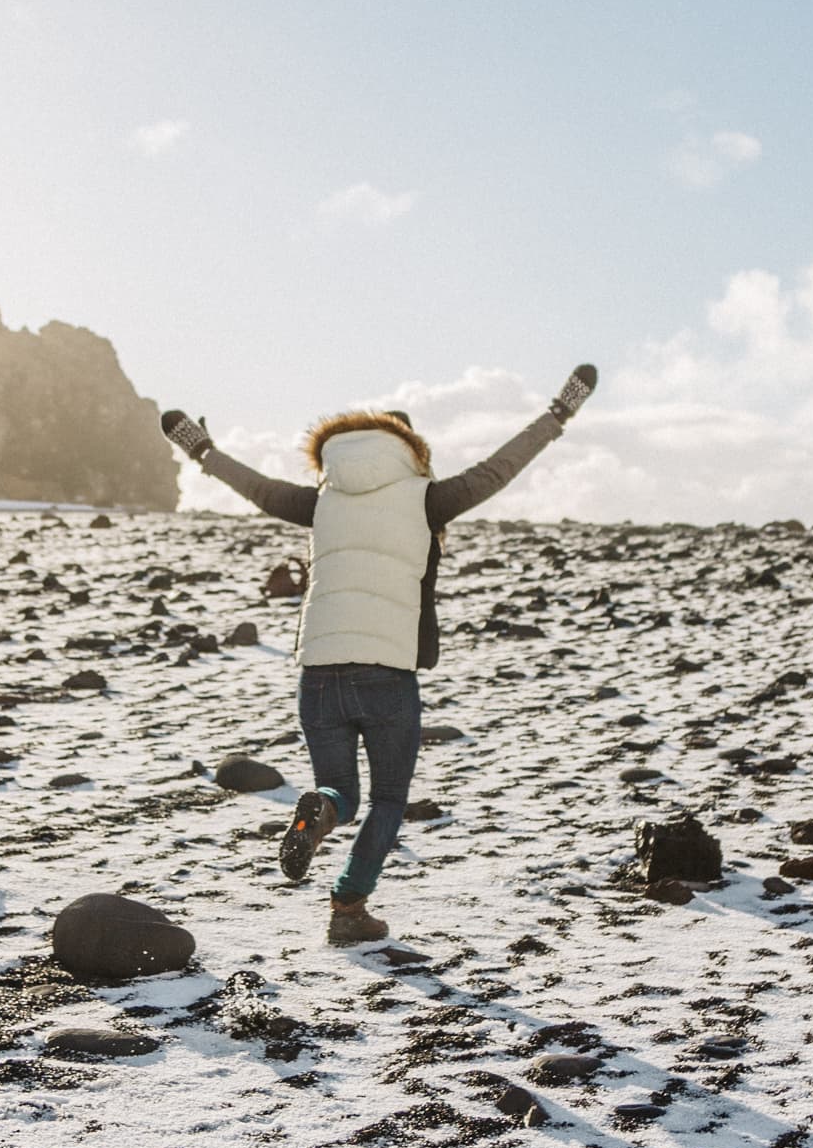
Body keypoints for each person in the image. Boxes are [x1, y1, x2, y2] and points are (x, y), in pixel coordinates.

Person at [159, 367, 596, 945]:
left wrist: (202, 450)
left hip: (318, 672)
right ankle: (348, 908)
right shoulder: (429, 498)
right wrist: (558, 414)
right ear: (412, 452)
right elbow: (500, 467)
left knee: (340, 791)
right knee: (388, 800)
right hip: (387, 673)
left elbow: (257, 488)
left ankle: (322, 810)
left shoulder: (322, 501)